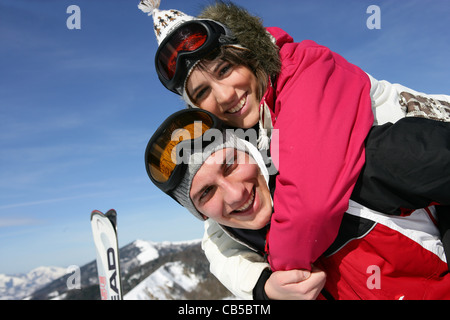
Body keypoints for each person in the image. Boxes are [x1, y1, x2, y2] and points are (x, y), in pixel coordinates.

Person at [139, 0, 450, 273]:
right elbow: (216, 236)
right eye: (203, 92)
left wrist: (280, 272)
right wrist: (257, 287)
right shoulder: (246, 133)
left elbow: (310, 202)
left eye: (224, 70)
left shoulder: (304, 68)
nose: (224, 95)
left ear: (247, 55)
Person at [144, 108, 450, 299]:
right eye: (207, 193)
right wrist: (264, 289)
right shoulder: (243, 244)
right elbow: (217, 250)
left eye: (230, 165)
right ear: (200, 213)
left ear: (251, 152)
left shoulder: (349, 166)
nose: (235, 194)